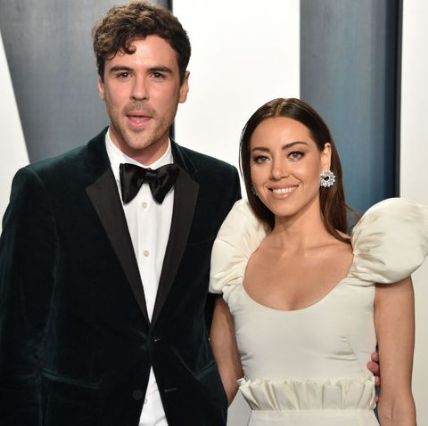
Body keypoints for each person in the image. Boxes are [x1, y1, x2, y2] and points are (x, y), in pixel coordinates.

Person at [0, 2, 240, 425]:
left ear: (183, 86)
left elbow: (238, 301)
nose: (139, 94)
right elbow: (17, 345)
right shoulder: (45, 188)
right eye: (123, 73)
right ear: (101, 84)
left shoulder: (219, 185)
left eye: (158, 75)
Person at [209, 97, 428, 425]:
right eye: (261, 158)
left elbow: (396, 404)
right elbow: (212, 397)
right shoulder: (234, 270)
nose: (278, 172)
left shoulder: (377, 262)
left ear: (324, 158)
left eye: (294, 154)